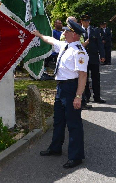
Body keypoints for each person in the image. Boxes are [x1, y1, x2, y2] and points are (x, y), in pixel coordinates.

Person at [33, 19, 88, 169]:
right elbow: (50, 40)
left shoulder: (79, 52)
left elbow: (83, 76)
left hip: (71, 88)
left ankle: (76, 156)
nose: (64, 32)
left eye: (67, 31)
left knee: (73, 124)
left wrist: (78, 96)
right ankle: (55, 148)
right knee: (58, 120)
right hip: (61, 88)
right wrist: (38, 34)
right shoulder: (65, 46)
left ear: (75, 34)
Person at [80, 14, 106, 105]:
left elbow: (100, 44)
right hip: (82, 59)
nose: (87, 23)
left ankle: (97, 96)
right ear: (81, 21)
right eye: (85, 21)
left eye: (88, 21)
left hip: (94, 58)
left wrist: (102, 55)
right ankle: (86, 97)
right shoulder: (78, 31)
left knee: (96, 78)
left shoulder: (95, 30)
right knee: (85, 78)